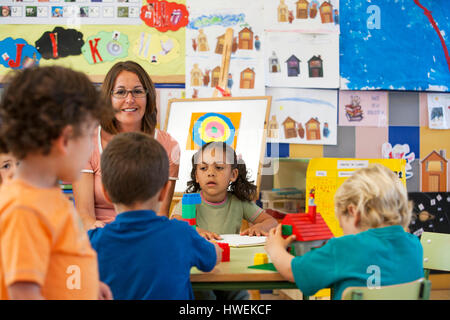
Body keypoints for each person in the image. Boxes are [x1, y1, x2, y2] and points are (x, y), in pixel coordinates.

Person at [0, 66, 113, 300]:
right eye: (90, 135)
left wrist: (88, 285)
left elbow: (57, 263)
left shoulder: (48, 197)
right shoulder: (24, 208)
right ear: (65, 141)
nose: (92, 147)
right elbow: (23, 293)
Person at [88, 132, 221, 299]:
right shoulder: (181, 233)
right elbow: (212, 258)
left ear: (106, 194)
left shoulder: (92, 241)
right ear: (164, 192)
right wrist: (216, 249)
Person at [265, 164, 424, 300]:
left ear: (353, 212)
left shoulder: (343, 248)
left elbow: (292, 271)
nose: (342, 231)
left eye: (341, 225)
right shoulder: (414, 245)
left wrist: (275, 248)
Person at [73, 61, 180, 229]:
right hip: (103, 237)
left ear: (148, 96)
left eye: (137, 91)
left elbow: (160, 214)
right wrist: (103, 235)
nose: (130, 100)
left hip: (147, 237)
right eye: (120, 92)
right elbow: (85, 215)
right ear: (108, 98)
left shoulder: (169, 145)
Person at [171, 141, 277, 300]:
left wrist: (260, 226)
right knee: (203, 295)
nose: (211, 173)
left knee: (240, 297)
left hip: (229, 269)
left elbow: (272, 222)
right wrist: (195, 231)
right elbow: (175, 224)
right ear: (196, 176)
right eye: (203, 168)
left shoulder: (239, 202)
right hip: (198, 269)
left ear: (233, 175)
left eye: (219, 167)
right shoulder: (190, 201)